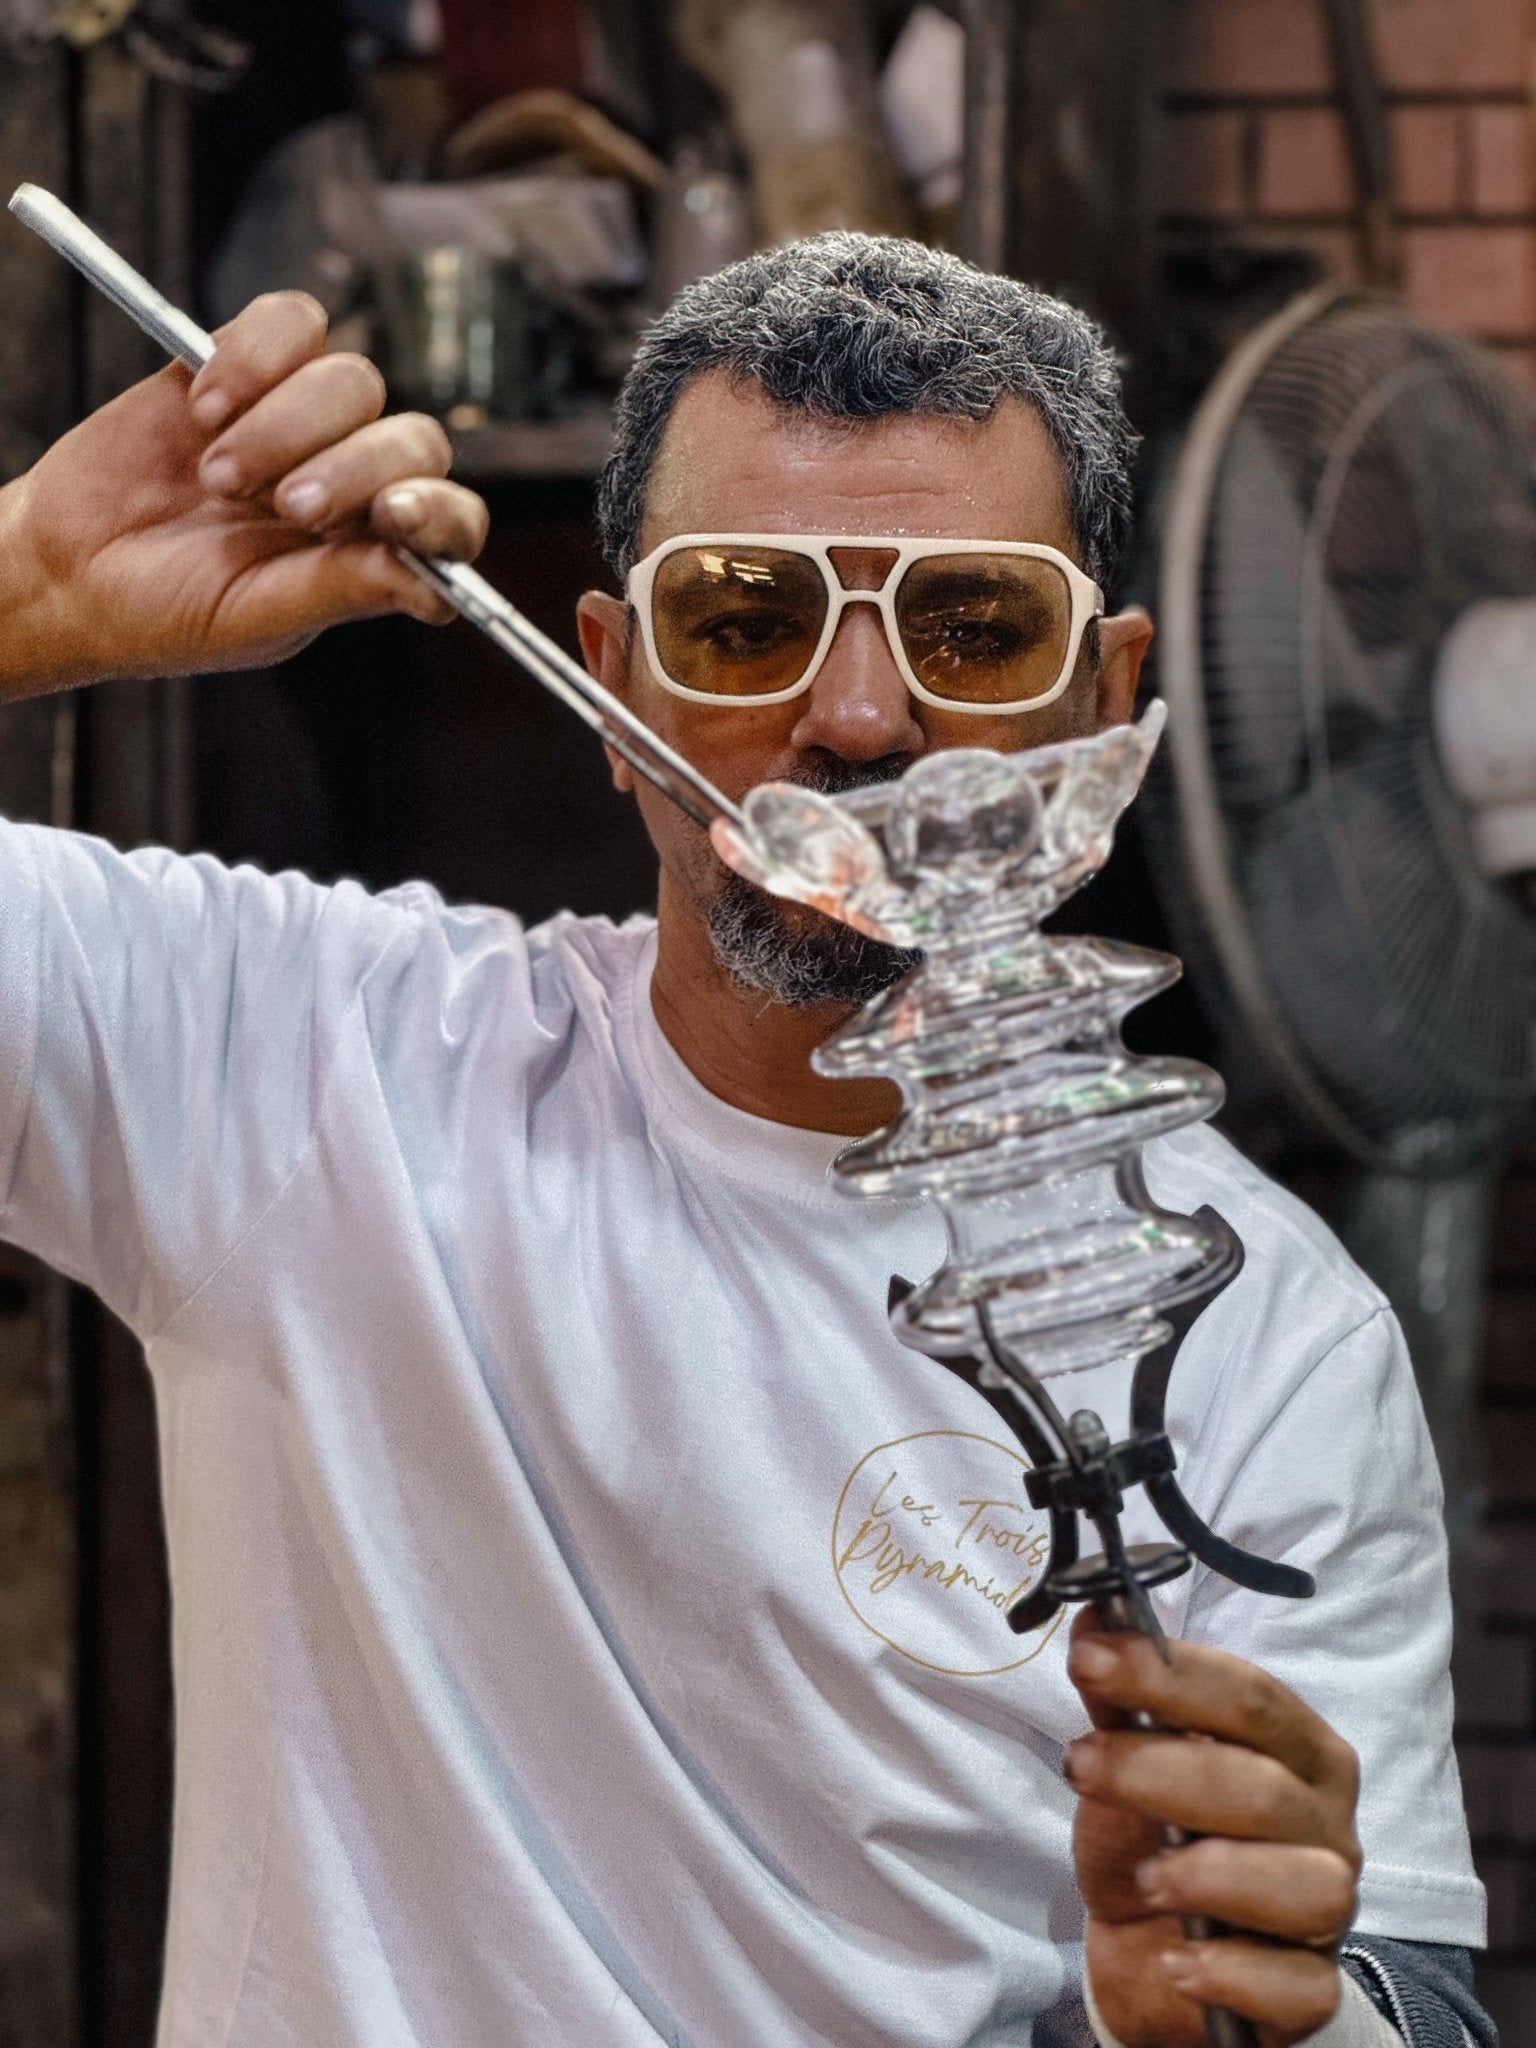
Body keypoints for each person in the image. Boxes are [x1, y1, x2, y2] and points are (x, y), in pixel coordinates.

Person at [0, 240, 1492, 2048]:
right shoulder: (300, 1072)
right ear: (612, 687)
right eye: (745, 616)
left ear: (1102, 702)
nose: (858, 722)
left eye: (969, 623)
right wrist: (25, 587)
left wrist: (1268, 2015)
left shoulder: (1268, 1339)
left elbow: (1406, 1986)